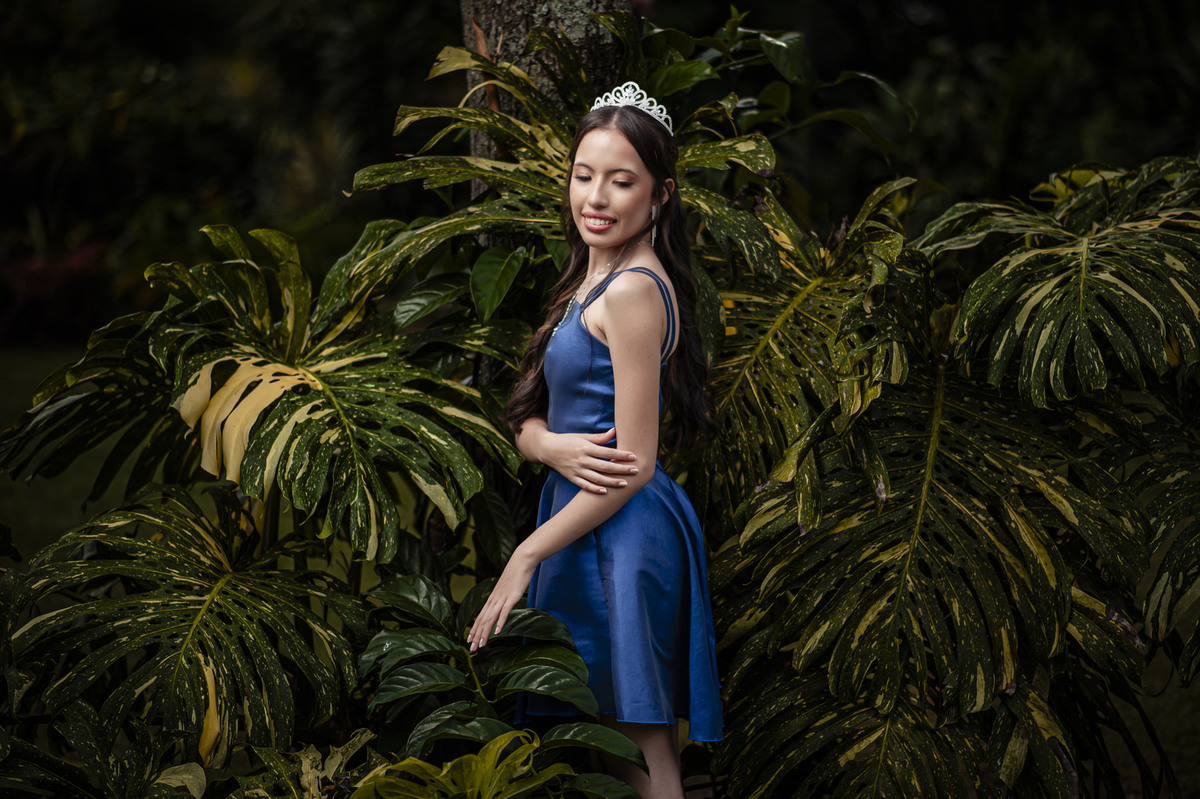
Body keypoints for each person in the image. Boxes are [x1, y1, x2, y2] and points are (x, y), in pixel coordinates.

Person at [467, 82, 723, 798]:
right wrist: (547, 447)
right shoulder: (590, 274)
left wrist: (526, 552)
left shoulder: (635, 290)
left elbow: (635, 463)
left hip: (621, 531)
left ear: (660, 194)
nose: (597, 197)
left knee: (642, 757)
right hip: (581, 526)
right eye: (585, 176)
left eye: (621, 180)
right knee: (609, 746)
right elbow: (531, 417)